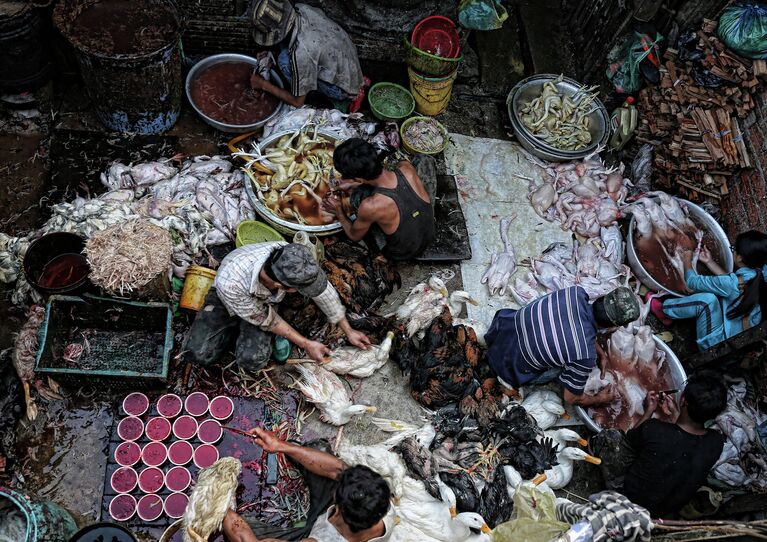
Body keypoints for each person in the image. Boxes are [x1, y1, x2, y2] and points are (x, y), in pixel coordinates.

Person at [184, 242, 371, 370]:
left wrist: (348, 330)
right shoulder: (231, 282)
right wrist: (306, 344)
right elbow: (268, 320)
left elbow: (324, 293)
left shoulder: (291, 257)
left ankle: (254, 331)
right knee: (197, 354)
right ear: (283, 287)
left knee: (252, 360)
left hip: (266, 302)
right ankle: (234, 327)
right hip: (229, 297)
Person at [590, 371, 727, 517]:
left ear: (682, 400)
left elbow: (629, 440)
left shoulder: (655, 429)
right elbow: (684, 444)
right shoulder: (716, 442)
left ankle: (604, 475)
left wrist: (649, 410)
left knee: (611, 437)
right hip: (662, 511)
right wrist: (675, 414)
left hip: (629, 500)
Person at [223, 427, 395, 542]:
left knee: (240, 527)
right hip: (329, 520)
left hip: (317, 533)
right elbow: (336, 469)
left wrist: (218, 505)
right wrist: (280, 446)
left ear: (340, 509)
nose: (339, 476)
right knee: (319, 450)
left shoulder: (324, 539)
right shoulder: (379, 503)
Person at [484, 285, 640, 407]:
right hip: (507, 369)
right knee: (566, 366)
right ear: (612, 327)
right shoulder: (585, 356)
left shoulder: (575, 293)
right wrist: (600, 398)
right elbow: (570, 398)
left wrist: (600, 353)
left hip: (498, 333)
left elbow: (573, 326)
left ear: (601, 297)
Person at [650, 230, 767, 351]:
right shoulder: (760, 273)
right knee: (715, 295)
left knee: (706, 301)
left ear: (740, 258)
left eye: (733, 249)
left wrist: (686, 259)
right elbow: (732, 284)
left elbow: (692, 281)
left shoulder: (732, 284)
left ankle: (663, 310)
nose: (732, 251)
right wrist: (709, 262)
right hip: (736, 332)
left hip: (719, 345)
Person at [322, 138, 436, 261]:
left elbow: (354, 236)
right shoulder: (405, 167)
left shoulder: (371, 206)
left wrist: (339, 211)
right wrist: (352, 183)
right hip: (430, 233)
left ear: (358, 179)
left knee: (357, 197)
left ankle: (385, 256)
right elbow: (381, 180)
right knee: (423, 161)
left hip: (403, 251)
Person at [248, 0, 365, 110]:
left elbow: (297, 103)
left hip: (343, 88)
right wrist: (271, 54)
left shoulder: (301, 53)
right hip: (346, 61)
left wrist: (264, 85)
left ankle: (311, 96)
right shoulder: (302, 9)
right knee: (286, 53)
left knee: (284, 61)